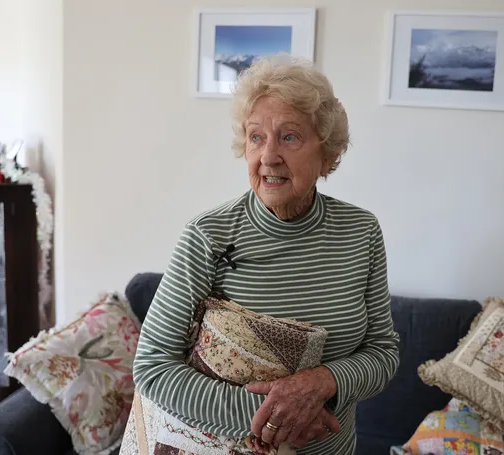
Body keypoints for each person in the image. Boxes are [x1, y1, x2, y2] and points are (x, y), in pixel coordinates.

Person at [132, 54, 400, 454]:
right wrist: (275, 414)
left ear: (325, 152)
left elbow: (383, 350)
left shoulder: (360, 232)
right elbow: (153, 367)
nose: (268, 156)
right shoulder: (208, 234)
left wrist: (325, 382)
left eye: (289, 137)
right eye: (256, 137)